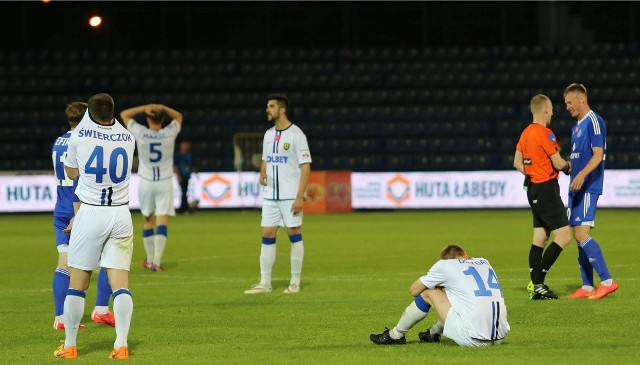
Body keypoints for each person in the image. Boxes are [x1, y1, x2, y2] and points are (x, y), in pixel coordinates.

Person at [53, 93, 135, 359]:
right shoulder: (128, 137)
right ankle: (121, 345)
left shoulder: (79, 136)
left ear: (90, 112)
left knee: (78, 282)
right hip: (121, 213)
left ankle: (70, 346)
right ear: (113, 111)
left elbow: (71, 173)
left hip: (90, 212)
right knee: (120, 283)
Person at [51, 102, 115, 330]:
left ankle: (60, 318)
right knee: (110, 257)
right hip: (82, 208)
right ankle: (101, 310)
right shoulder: (85, 142)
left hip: (60, 208)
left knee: (64, 263)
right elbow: (79, 178)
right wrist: (78, 214)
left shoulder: (58, 142)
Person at [370, 245, 510, 347]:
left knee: (428, 292)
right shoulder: (484, 262)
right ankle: (433, 333)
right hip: (499, 337)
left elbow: (414, 290)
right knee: (461, 299)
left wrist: (437, 284)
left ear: (445, 259)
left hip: (474, 339)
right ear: (465, 254)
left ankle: (396, 335)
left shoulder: (445, 265)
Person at [245, 95, 312, 294]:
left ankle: (295, 282)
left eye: (271, 106)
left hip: (291, 195)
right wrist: (262, 171)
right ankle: (265, 282)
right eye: (267, 106)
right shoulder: (268, 134)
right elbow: (266, 158)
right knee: (267, 234)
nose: (268, 109)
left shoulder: (296, 134)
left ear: (282, 110)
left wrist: (300, 196)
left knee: (294, 234)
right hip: (271, 195)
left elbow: (305, 166)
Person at [513, 94, 572, 300]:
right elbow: (557, 163)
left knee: (540, 238)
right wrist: (567, 166)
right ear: (545, 110)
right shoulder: (546, 134)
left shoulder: (525, 133)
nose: (553, 113)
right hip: (546, 189)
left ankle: (536, 286)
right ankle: (537, 282)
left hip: (532, 189)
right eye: (552, 110)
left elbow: (517, 162)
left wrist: (532, 175)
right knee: (564, 236)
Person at [563, 83, 618, 300]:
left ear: (581, 99)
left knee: (581, 234)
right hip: (576, 187)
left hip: (588, 185)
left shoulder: (595, 121)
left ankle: (607, 281)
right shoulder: (576, 127)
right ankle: (587, 286)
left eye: (569, 102)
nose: (567, 107)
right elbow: (580, 157)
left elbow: (598, 154)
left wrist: (582, 175)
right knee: (578, 235)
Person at [120, 103, 183, 272]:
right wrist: (162, 107)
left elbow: (125, 114)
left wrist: (144, 108)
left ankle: (149, 259)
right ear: (162, 119)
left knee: (148, 220)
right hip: (165, 181)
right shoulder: (168, 133)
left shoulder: (141, 132)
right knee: (162, 220)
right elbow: (178, 117)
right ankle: (156, 261)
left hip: (146, 182)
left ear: (148, 119)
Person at [173, 140, 194, 214]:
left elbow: (190, 165)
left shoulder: (188, 155)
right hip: (181, 175)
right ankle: (184, 208)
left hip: (187, 176)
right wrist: (178, 175)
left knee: (185, 192)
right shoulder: (178, 155)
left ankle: (184, 208)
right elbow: (175, 165)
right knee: (184, 192)